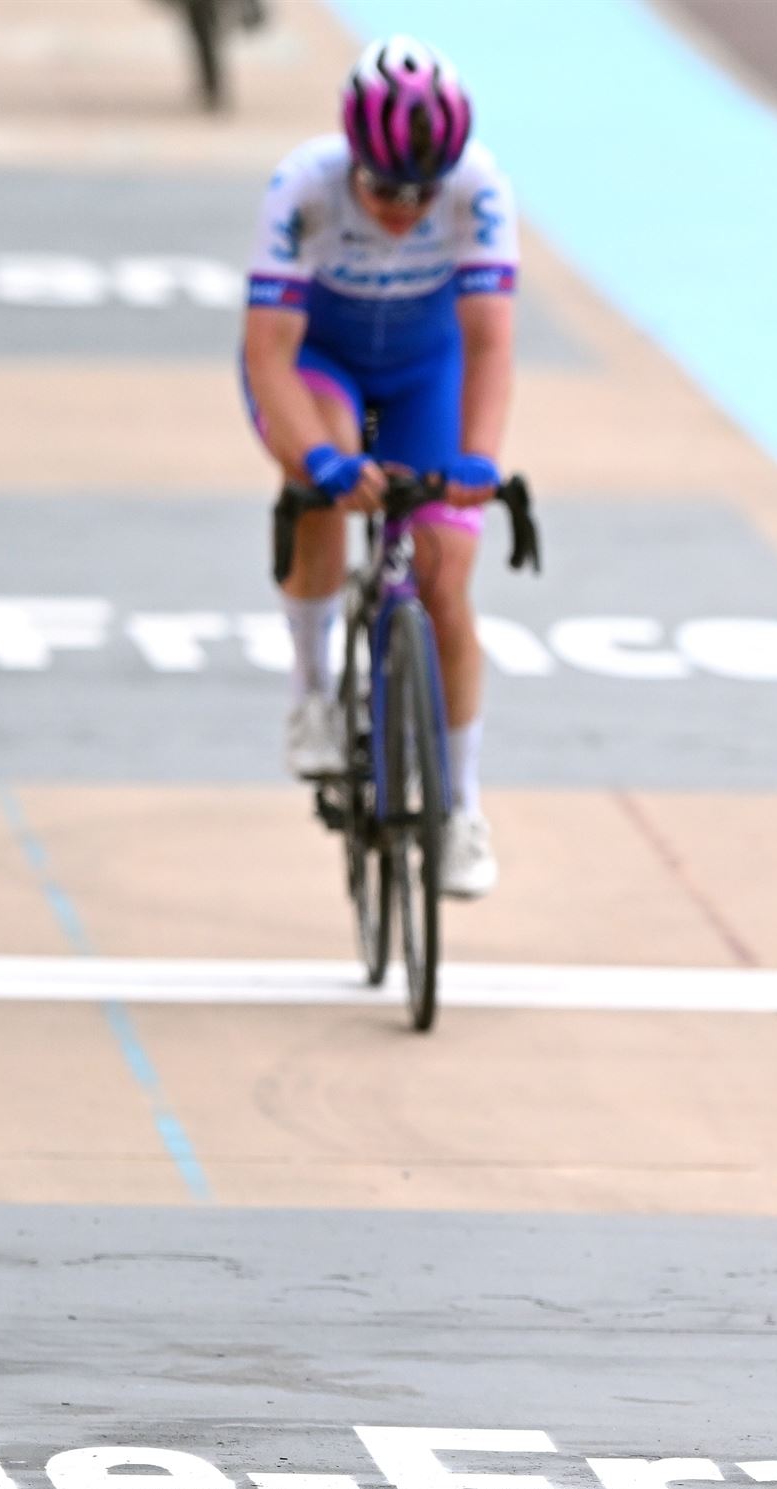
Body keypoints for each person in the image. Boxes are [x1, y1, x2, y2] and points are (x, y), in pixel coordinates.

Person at [241, 33, 516, 897]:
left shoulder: (478, 191)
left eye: (420, 193)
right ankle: (313, 692)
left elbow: (488, 343)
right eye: (386, 190)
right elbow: (268, 355)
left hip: (422, 372)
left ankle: (461, 804)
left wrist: (476, 459)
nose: (403, 210)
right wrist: (316, 458)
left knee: (446, 575)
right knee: (325, 480)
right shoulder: (303, 188)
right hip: (319, 362)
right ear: (354, 160)